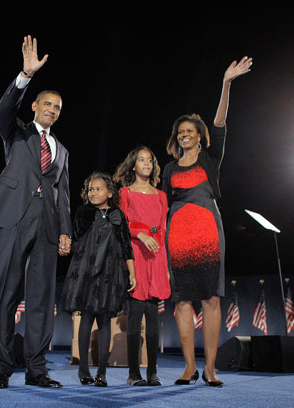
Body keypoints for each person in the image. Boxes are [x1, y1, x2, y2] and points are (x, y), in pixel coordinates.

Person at [0, 35, 72, 389]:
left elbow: (62, 194)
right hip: (14, 219)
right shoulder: (15, 132)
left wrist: (65, 231)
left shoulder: (61, 150)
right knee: (5, 293)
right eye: (47, 104)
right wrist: (24, 75)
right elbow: (3, 110)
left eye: (58, 107)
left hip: (48, 228)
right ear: (34, 105)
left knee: (41, 300)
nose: (52, 109)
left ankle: (37, 371)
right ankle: (0, 370)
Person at [161, 56, 253, 387]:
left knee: (211, 299)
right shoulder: (169, 170)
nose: (185, 134)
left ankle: (211, 369)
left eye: (190, 131)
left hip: (208, 232)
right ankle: (188, 368)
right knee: (182, 300)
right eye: (181, 131)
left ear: (199, 136)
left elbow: (220, 122)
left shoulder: (211, 158)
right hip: (178, 236)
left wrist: (226, 83)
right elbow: (163, 208)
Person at [60, 172, 136, 387]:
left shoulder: (118, 215)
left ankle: (102, 372)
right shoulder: (83, 212)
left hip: (111, 273)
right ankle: (84, 370)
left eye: (98, 189)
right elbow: (75, 239)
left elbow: (126, 246)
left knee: (104, 321)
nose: (93, 192)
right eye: (91, 189)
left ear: (110, 193)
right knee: (86, 318)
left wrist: (132, 272)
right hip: (86, 271)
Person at [114, 147, 171, 386]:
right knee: (136, 316)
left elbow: (162, 229)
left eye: (150, 160)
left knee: (153, 318)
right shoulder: (124, 193)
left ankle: (153, 373)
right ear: (133, 166)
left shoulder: (161, 196)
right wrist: (140, 234)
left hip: (156, 257)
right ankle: (134, 374)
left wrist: (165, 264)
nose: (146, 163)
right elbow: (121, 226)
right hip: (135, 255)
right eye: (141, 159)